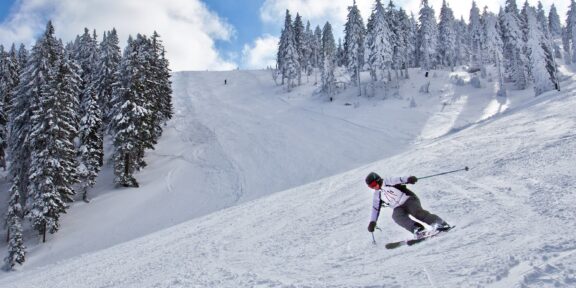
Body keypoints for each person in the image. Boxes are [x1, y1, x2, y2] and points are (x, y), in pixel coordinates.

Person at [365, 172, 451, 239]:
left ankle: (440, 223)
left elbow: (399, 179)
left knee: (417, 213)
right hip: (397, 207)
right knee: (396, 217)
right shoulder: (377, 195)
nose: (373, 187)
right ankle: (418, 229)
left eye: (373, 184)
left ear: (378, 180)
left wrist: (409, 179)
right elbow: (375, 209)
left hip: (408, 199)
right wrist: (373, 222)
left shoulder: (388, 182)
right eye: (370, 187)